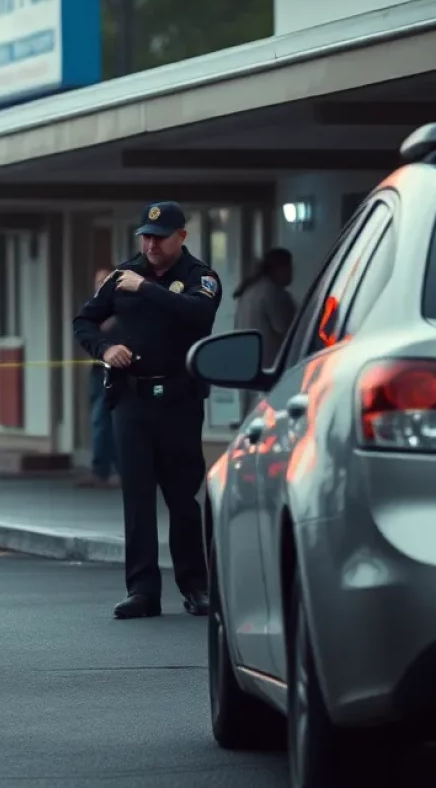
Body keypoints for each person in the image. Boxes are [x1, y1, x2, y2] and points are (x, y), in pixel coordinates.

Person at [72, 201, 222, 620]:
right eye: (146, 236)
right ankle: (142, 590)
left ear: (181, 237)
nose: (150, 244)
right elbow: (83, 320)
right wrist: (105, 348)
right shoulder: (122, 276)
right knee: (136, 498)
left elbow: (199, 313)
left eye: (159, 237)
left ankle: (195, 586)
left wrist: (148, 290)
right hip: (131, 400)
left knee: (181, 498)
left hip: (179, 399)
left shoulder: (200, 277)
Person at [76, 268, 120, 489]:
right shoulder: (95, 307)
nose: (100, 285)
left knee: (114, 421)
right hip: (97, 370)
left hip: (119, 372)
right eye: (98, 282)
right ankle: (100, 470)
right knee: (98, 419)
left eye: (105, 281)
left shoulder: (124, 307)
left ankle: (118, 470)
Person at [233, 247, 296, 368]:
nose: (291, 273)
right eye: (288, 268)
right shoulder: (273, 292)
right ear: (277, 269)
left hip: (248, 366)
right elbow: (288, 330)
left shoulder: (250, 290)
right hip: (270, 367)